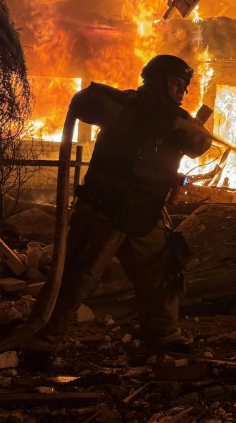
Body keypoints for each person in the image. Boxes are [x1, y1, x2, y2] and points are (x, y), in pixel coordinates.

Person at [21, 54, 213, 371]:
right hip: (103, 210)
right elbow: (85, 103)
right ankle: (39, 344)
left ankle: (164, 336)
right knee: (76, 277)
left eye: (184, 85)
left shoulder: (178, 120)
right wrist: (149, 118)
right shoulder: (125, 106)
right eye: (176, 83)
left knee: (161, 273)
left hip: (144, 214)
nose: (182, 90)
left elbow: (199, 144)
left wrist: (179, 125)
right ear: (157, 81)